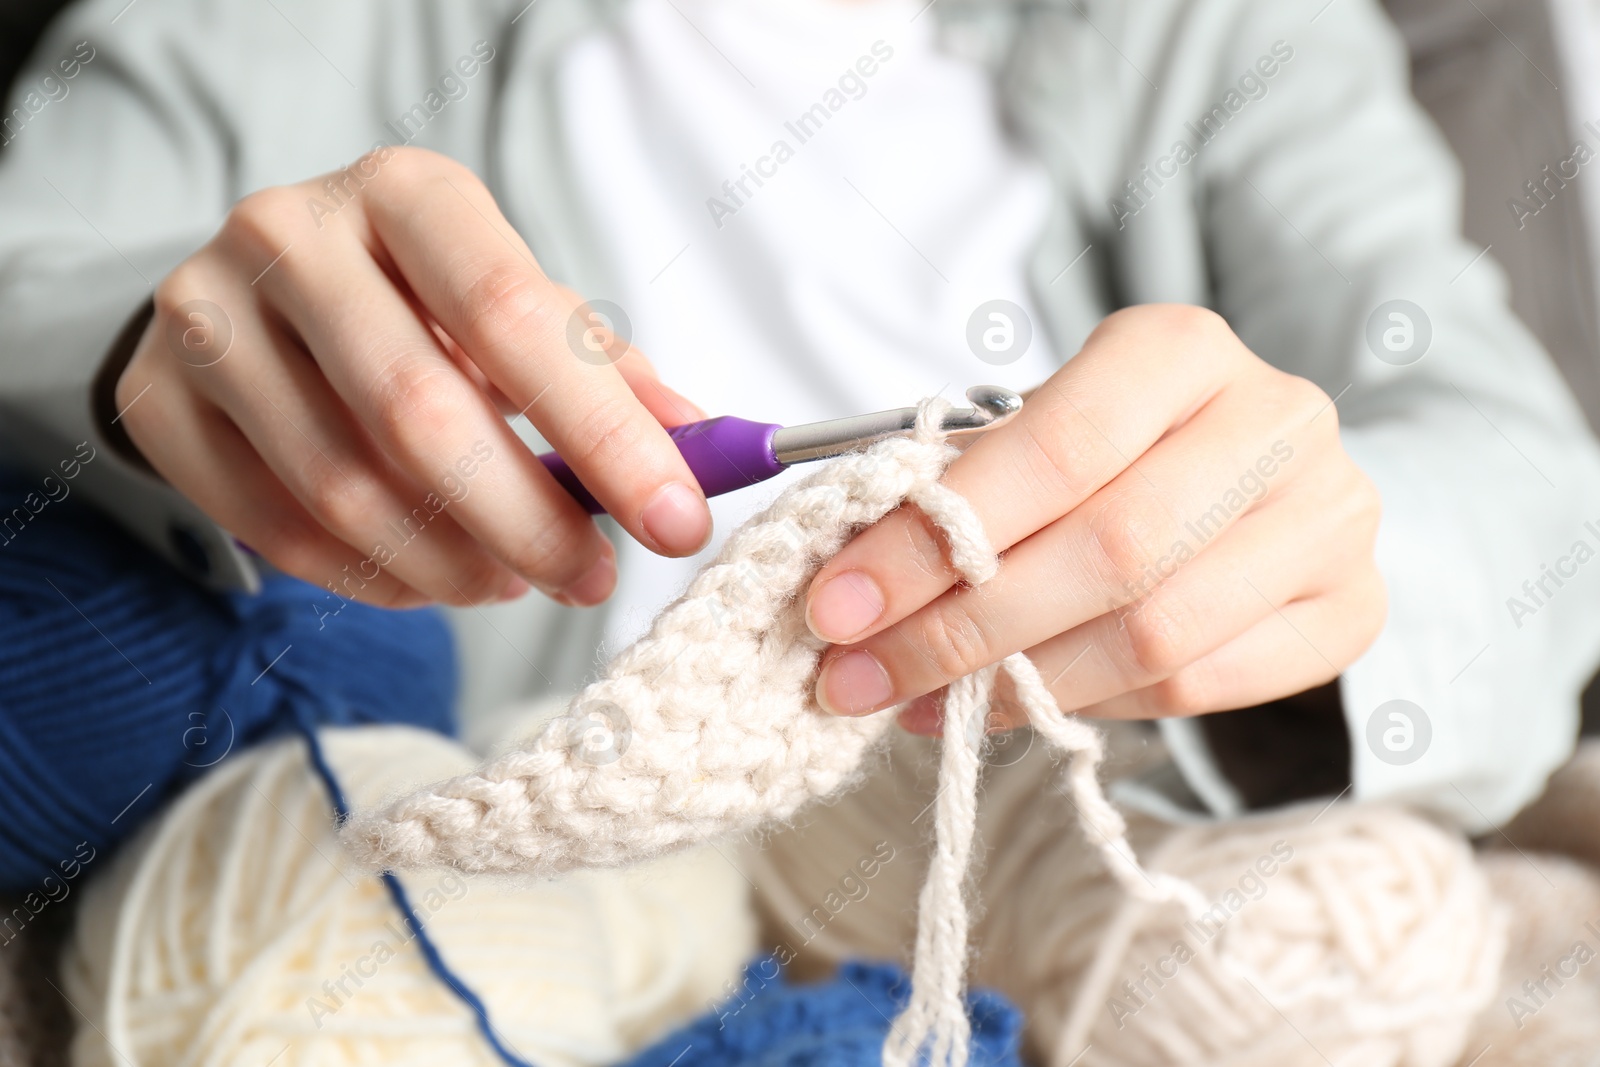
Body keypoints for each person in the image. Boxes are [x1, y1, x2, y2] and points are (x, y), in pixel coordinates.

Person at [1, 0, 1596, 835]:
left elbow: (1523, 477)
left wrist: (1317, 574)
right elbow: (37, 274)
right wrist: (150, 352)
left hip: (1065, 829)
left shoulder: (1224, 30)